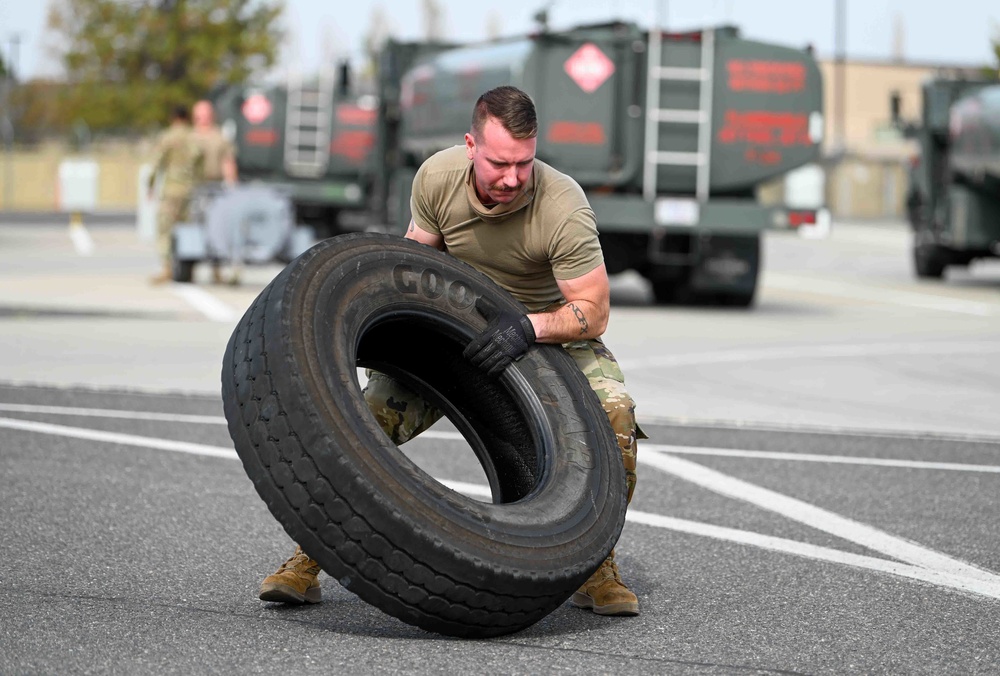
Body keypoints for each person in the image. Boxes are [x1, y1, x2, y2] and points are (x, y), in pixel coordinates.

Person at [259, 86, 645, 617]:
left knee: (615, 417)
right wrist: (376, 336)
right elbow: (410, 264)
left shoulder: (562, 206)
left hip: (544, 336)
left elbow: (593, 311)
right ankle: (307, 560)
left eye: (524, 163)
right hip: (453, 331)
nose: (512, 178)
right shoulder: (437, 180)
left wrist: (528, 328)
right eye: (499, 163)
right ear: (470, 145)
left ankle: (597, 565)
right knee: (356, 426)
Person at [147, 104, 204, 284]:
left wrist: (151, 185)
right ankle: (189, 270)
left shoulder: (167, 137)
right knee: (189, 231)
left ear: (173, 118)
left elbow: (156, 163)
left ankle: (167, 268)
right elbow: (200, 166)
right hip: (191, 192)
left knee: (165, 229)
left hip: (171, 191)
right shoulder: (195, 137)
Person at [191, 99, 239, 284]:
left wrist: (231, 185)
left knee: (218, 228)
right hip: (194, 187)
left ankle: (216, 269)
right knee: (192, 228)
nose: (203, 118)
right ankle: (188, 267)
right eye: (199, 114)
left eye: (206, 114)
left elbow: (228, 162)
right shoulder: (190, 137)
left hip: (215, 188)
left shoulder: (220, 137)